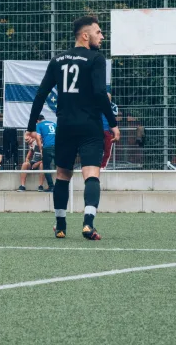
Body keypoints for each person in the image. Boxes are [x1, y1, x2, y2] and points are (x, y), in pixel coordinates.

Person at [25, 15, 120, 240]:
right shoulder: (96, 59)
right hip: (90, 126)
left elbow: (41, 94)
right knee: (91, 174)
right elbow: (99, 93)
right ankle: (88, 223)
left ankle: (60, 226)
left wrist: (30, 127)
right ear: (85, 36)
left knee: (62, 175)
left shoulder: (57, 60)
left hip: (65, 126)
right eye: (99, 32)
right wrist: (113, 123)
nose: (102, 36)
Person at [35, 115, 56, 192]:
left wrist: (40, 149)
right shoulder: (54, 123)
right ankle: (62, 186)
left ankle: (51, 186)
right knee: (60, 167)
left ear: (37, 120)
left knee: (46, 167)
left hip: (47, 147)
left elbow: (38, 138)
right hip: (57, 147)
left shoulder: (39, 125)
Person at [100, 92, 118, 169]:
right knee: (98, 149)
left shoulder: (113, 106)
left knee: (107, 149)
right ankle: (96, 165)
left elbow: (115, 114)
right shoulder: (98, 105)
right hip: (98, 130)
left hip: (108, 130)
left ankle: (103, 167)